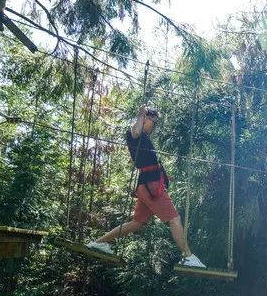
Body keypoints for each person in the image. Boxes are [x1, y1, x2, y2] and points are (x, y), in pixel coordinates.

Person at [87, 106, 205, 268]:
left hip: (146, 186)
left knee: (137, 222)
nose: (154, 127)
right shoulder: (136, 134)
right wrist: (141, 114)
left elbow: (149, 164)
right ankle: (188, 257)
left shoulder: (144, 140)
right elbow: (136, 131)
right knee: (174, 219)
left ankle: (98, 243)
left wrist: (165, 176)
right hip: (151, 188)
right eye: (153, 122)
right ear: (145, 119)